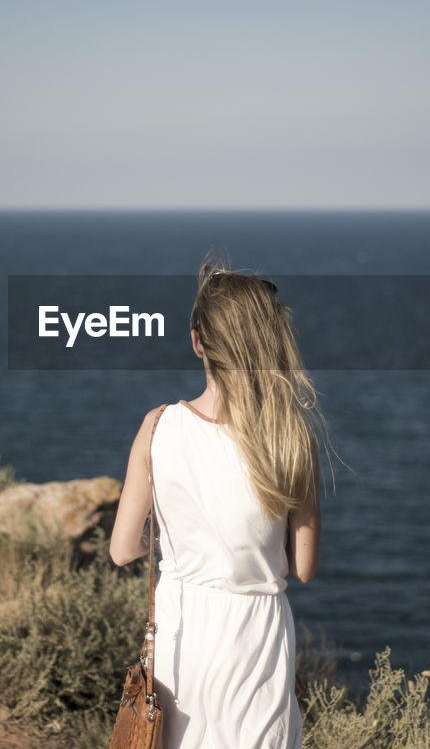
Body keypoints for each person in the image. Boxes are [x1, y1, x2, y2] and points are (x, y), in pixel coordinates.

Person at [110, 261, 325, 749]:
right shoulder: (291, 438)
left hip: (181, 631)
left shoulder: (158, 426)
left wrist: (184, 550)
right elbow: (305, 568)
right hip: (256, 638)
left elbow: (123, 550)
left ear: (197, 341)